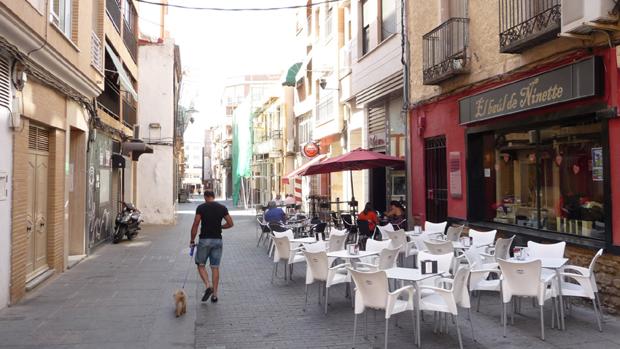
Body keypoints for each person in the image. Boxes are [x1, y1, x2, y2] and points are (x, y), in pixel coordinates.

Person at [190, 191, 234, 303]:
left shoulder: (201, 208)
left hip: (204, 240)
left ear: (205, 197)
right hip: (217, 240)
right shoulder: (222, 208)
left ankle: (208, 285)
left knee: (200, 264)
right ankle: (214, 295)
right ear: (214, 197)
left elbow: (196, 224)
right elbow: (230, 223)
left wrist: (192, 240)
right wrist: (220, 227)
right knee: (215, 267)